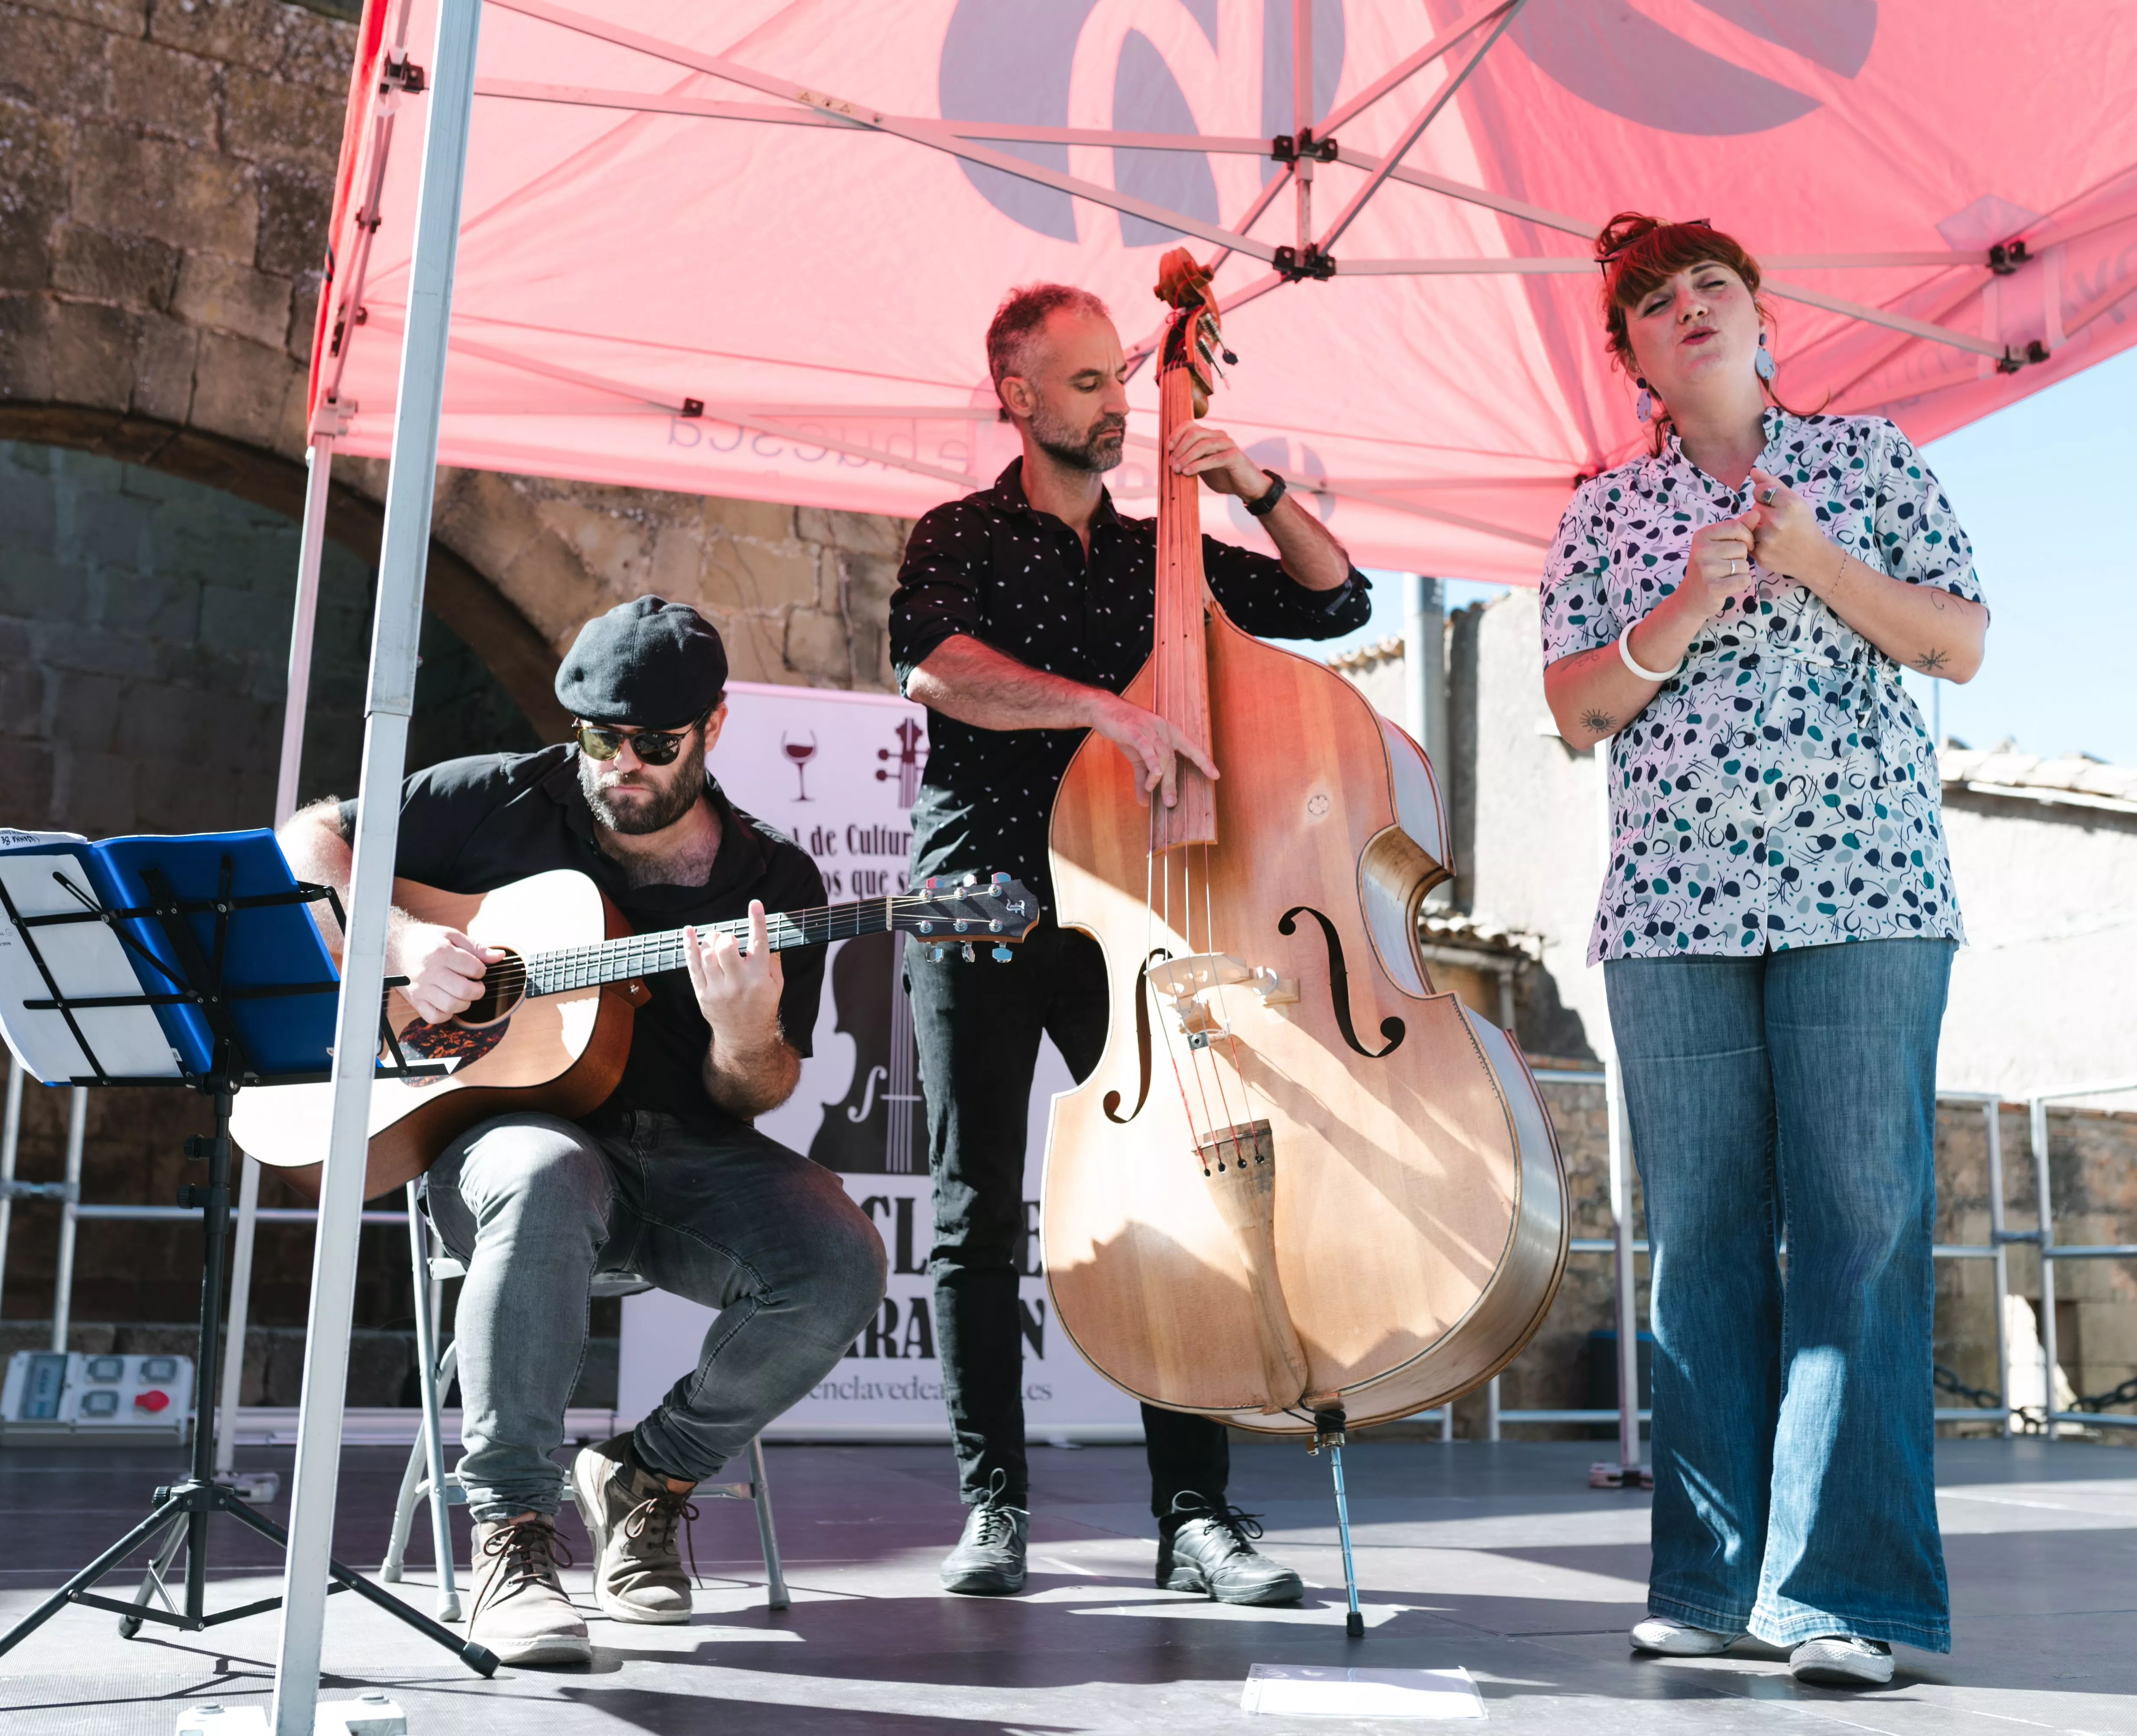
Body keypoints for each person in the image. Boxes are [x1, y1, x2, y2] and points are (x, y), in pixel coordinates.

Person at [1539, 214, 1990, 1689]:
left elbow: (1955, 641)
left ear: (1757, 312)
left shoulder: (1867, 462)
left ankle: (1852, 1596)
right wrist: (1681, 605)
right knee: (1704, 1248)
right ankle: (1713, 1581)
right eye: (1652, 305)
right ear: (1628, 359)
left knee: (1857, 1232)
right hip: (1670, 913)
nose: (1686, 311)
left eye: (1708, 288)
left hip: (1863, 899)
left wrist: (1808, 559)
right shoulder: (1597, 515)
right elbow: (1572, 710)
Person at [277, 597, 886, 1665]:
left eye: (655, 745)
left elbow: (756, 1096)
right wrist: (410, 936)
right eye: (602, 739)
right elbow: (308, 839)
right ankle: (515, 1535)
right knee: (547, 1166)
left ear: (715, 726)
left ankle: (648, 1474)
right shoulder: (493, 799)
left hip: (691, 1155)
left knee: (840, 1256)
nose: (624, 767)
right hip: (506, 1143)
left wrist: (747, 1033)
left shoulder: (773, 882)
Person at [889, 280, 1373, 1601]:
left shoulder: (1171, 556)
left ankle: (1194, 1519)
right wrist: (1106, 710)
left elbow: (1339, 607)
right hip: (976, 891)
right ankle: (995, 1511)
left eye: (1125, 380)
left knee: (1187, 1188)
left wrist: (1257, 488)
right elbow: (936, 666)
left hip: (1137, 908)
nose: (1118, 405)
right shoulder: (958, 534)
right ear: (1019, 395)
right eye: (1092, 383)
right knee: (976, 1211)